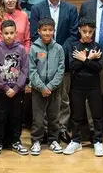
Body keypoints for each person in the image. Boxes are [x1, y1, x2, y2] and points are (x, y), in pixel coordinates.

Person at [29, 0, 79, 141]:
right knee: (42, 98)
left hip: (62, 59)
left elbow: (73, 35)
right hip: (42, 61)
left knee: (62, 98)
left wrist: (58, 52)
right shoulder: (37, 9)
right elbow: (35, 34)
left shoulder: (71, 9)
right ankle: (43, 130)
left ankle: (62, 129)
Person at [63, 18, 103, 156]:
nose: (87, 34)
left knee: (97, 114)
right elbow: (72, 66)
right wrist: (89, 59)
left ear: (93, 32)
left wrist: (84, 59)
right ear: (79, 30)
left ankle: (98, 141)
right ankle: (76, 141)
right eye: (84, 31)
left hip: (94, 86)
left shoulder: (97, 46)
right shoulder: (73, 46)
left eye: (90, 32)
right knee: (77, 115)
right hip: (77, 86)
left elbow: (98, 68)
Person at [0, 19, 29, 157]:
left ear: (16, 33)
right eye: (6, 33)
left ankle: (16, 141)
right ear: (1, 33)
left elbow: (24, 70)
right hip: (1, 91)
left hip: (18, 91)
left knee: (16, 117)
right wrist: (5, 88)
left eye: (12, 33)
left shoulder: (21, 49)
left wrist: (17, 88)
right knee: (0, 117)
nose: (9, 36)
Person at [29, 17, 66, 155]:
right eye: (44, 30)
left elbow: (61, 70)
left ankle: (53, 140)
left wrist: (50, 86)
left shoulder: (59, 49)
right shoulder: (33, 48)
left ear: (53, 31)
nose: (47, 33)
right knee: (38, 117)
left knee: (54, 116)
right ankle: (36, 141)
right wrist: (41, 87)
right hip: (38, 89)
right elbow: (31, 71)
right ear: (39, 31)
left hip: (54, 89)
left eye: (50, 30)